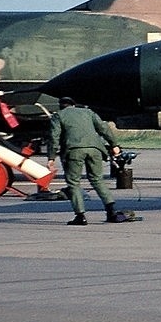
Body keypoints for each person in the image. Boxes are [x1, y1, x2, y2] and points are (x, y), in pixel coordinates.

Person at [46, 96, 127, 226]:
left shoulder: (58, 116)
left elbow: (54, 137)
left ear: (61, 105)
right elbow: (104, 128)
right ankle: (111, 211)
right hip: (95, 149)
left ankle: (80, 216)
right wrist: (114, 145)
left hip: (74, 150)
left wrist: (51, 157)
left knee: (74, 183)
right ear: (74, 104)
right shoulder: (88, 112)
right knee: (97, 179)